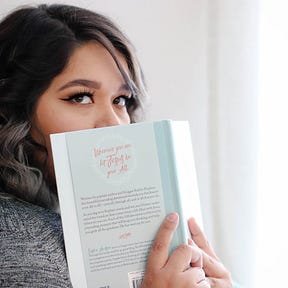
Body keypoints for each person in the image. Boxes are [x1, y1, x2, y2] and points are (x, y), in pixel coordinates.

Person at [0, 4, 233, 288]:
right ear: (13, 111)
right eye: (80, 97)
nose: (114, 125)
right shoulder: (23, 245)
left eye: (120, 100)